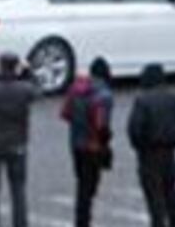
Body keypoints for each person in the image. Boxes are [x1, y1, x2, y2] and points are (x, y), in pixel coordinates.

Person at [0, 52, 38, 227]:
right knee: (18, 190)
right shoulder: (25, 89)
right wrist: (28, 73)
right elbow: (38, 90)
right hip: (18, 144)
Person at [128, 63, 175, 227]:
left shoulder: (142, 101)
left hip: (149, 156)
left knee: (155, 202)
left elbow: (135, 130)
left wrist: (141, 147)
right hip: (170, 153)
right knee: (172, 198)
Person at [62, 57, 116, 227]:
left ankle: (81, 220)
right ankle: (84, 221)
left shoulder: (75, 90)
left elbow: (66, 114)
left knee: (81, 185)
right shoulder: (104, 95)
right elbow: (102, 125)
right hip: (93, 146)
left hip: (76, 144)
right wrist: (106, 142)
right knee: (89, 187)